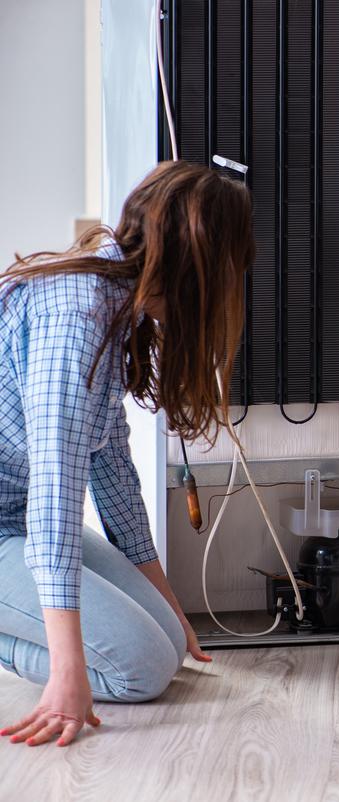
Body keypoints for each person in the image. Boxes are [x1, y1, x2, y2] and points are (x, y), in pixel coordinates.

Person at [0, 161, 254, 747]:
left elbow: (112, 472)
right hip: (23, 521)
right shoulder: (77, 315)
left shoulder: (115, 305)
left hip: (15, 521)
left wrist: (170, 609)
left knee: (167, 642)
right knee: (139, 670)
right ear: (197, 266)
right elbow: (57, 493)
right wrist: (68, 673)